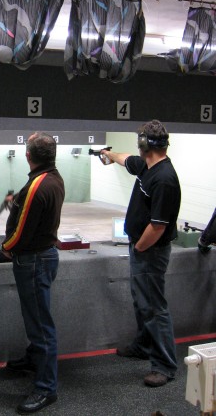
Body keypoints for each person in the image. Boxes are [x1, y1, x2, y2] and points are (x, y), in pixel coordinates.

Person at [100, 119, 181, 388]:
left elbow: (158, 226)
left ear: (145, 143)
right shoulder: (148, 166)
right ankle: (144, 345)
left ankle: (165, 365)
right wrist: (109, 155)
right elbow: (126, 159)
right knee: (142, 302)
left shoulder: (164, 179)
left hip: (150, 251)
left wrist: (138, 248)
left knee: (154, 308)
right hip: (144, 250)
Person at [1, 132, 65, 414]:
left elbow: (22, 232)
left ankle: (46, 388)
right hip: (43, 256)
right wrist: (18, 200)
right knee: (36, 318)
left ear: (28, 156)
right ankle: (33, 358)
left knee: (40, 325)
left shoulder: (38, 185)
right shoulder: (53, 178)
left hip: (34, 260)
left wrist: (5, 248)